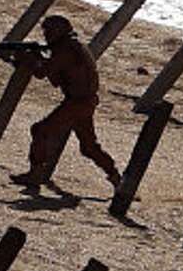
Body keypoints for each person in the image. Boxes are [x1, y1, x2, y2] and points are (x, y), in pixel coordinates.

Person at [10, 14, 122, 195]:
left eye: (49, 31)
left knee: (40, 130)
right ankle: (116, 177)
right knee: (88, 147)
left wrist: (28, 58)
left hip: (78, 102)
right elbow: (56, 77)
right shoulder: (70, 46)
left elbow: (42, 72)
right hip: (82, 101)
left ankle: (35, 174)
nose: (46, 35)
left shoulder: (67, 49)